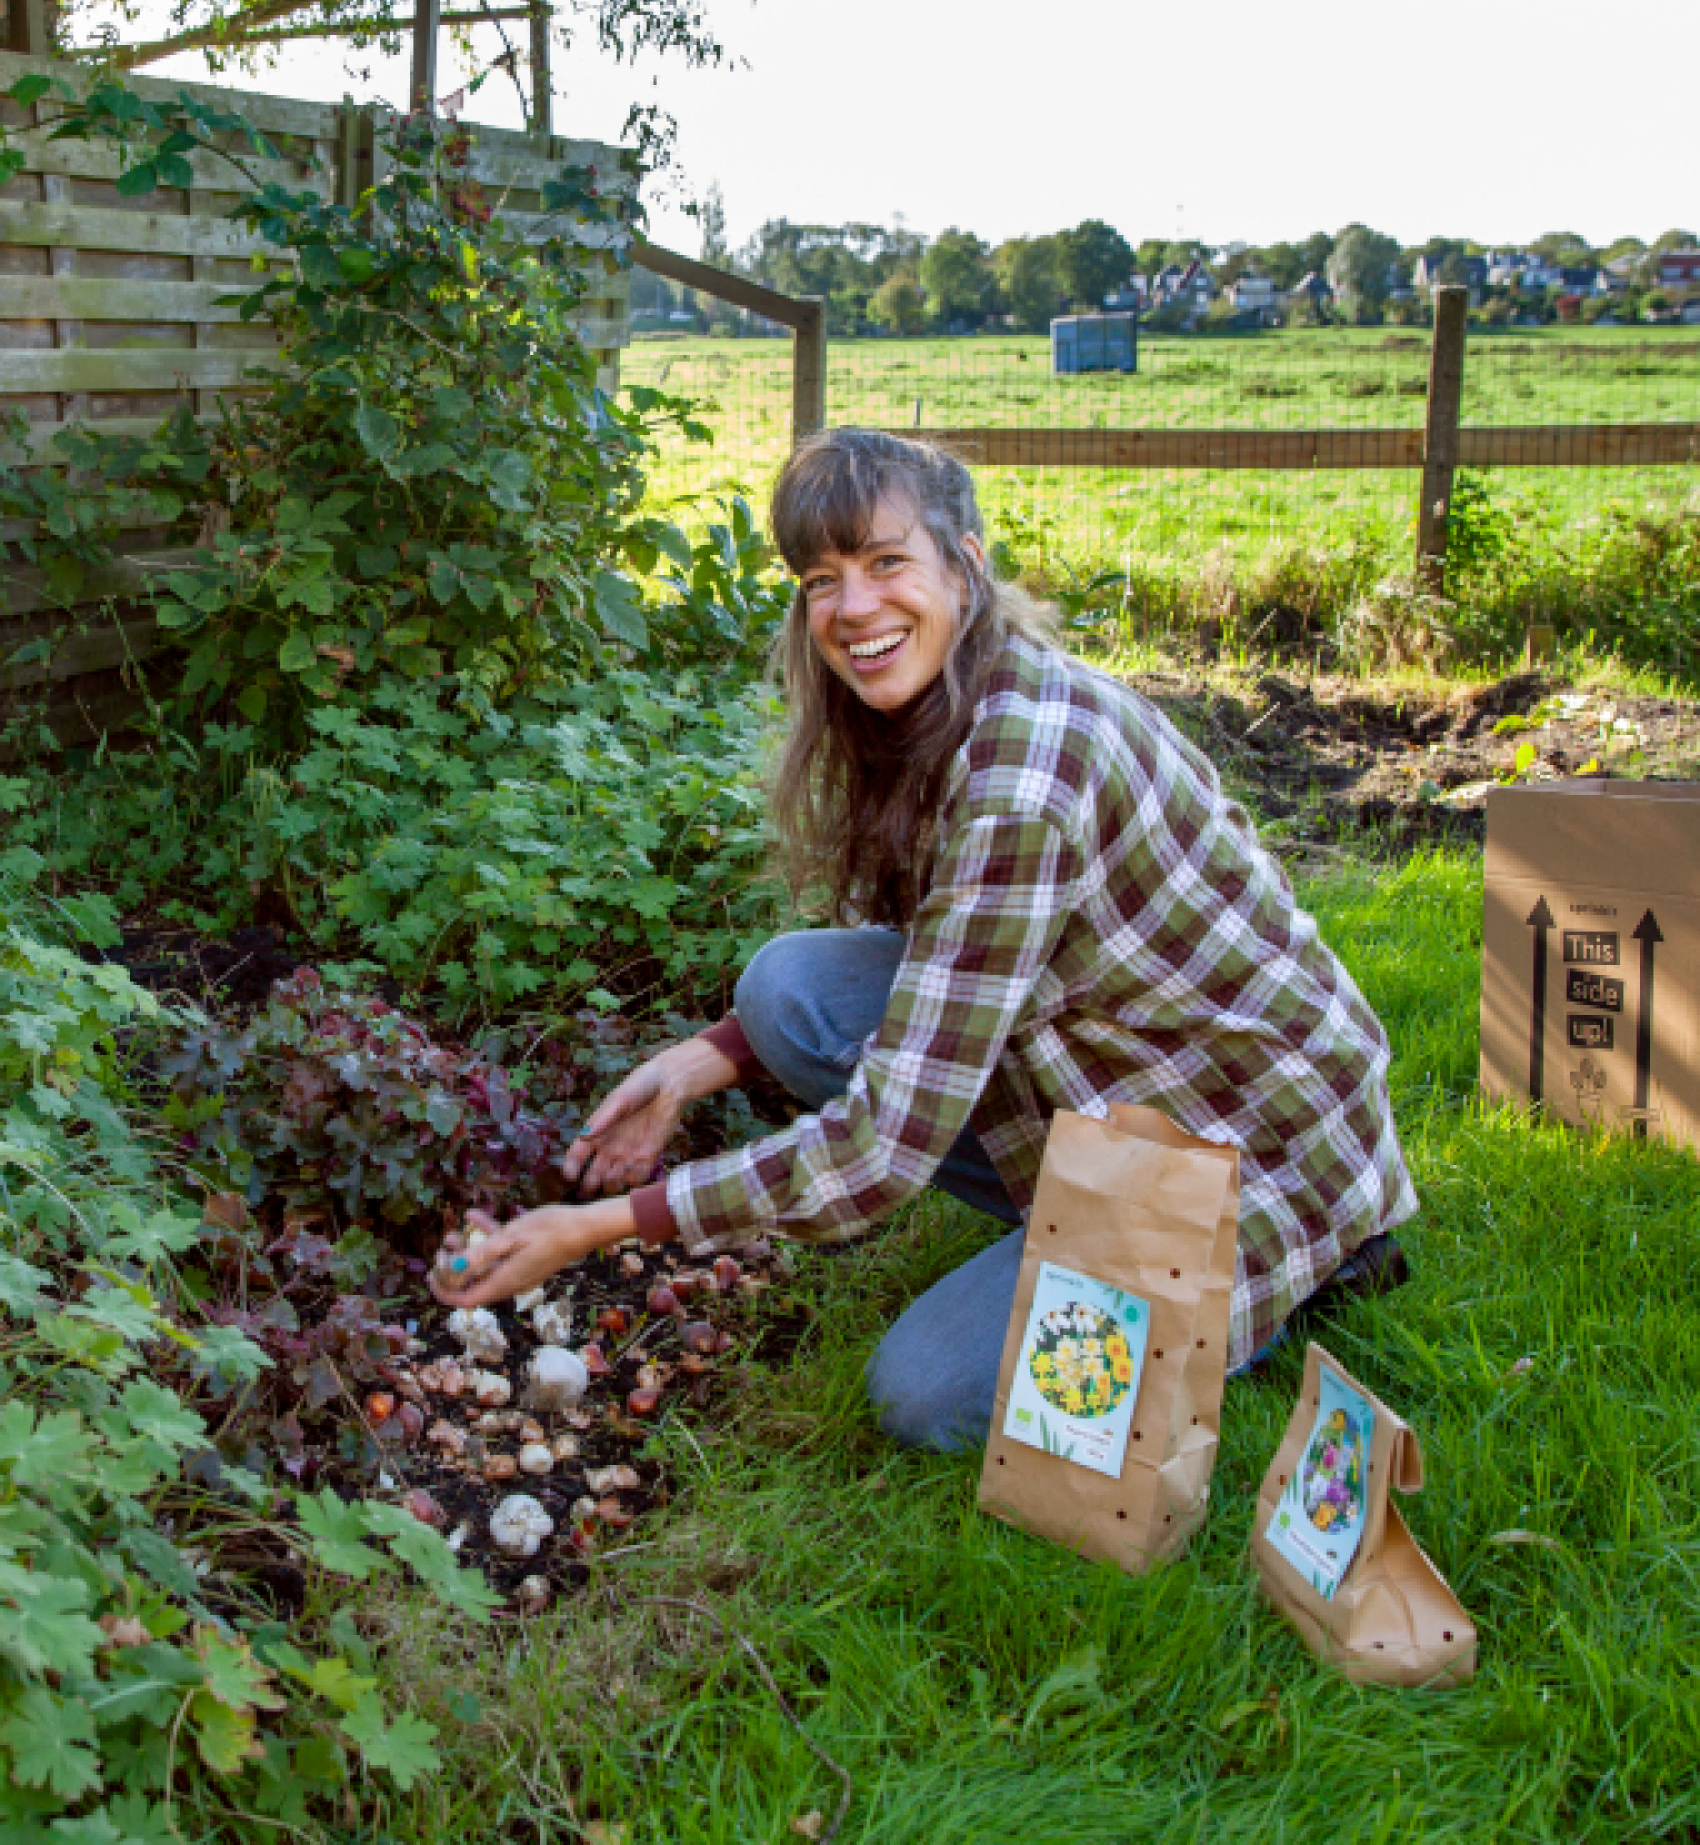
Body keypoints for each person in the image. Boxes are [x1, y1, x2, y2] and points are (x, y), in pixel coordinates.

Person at [431, 429, 1418, 1448]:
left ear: (967, 565)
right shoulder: (948, 702)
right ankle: (1068, 1235)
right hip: (1115, 1078)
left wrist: (591, 1227)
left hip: (1245, 1149)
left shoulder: (1021, 780)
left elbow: (876, 1154)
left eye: (885, 562)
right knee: (783, 993)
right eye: (822, 577)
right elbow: (932, 965)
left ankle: (1293, 1272)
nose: (852, 607)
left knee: (922, 1391)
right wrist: (696, 1063)